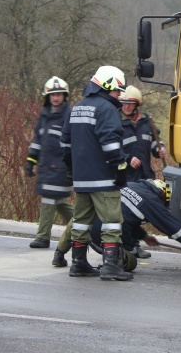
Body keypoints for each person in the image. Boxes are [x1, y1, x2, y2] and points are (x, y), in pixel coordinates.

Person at [60, 65, 132, 281]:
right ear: (108, 85)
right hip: (104, 178)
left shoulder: (77, 108)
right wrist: (120, 166)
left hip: (82, 179)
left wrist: (72, 171)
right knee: (111, 221)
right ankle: (110, 266)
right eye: (118, 90)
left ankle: (78, 263)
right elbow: (110, 143)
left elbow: (64, 144)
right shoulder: (107, 109)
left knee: (81, 221)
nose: (119, 95)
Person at [53, 179, 181, 271]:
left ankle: (59, 253)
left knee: (80, 218)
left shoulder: (129, 185)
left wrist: (144, 236)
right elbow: (173, 226)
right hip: (105, 237)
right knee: (132, 262)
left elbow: (126, 216)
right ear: (162, 195)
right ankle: (114, 260)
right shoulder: (152, 200)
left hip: (85, 232)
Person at [25, 77, 74, 253]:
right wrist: (31, 161)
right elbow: (38, 140)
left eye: (59, 94)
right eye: (53, 94)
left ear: (64, 96)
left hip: (60, 166)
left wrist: (71, 168)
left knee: (48, 198)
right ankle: (83, 227)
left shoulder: (68, 115)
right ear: (47, 96)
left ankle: (43, 237)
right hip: (46, 166)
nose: (56, 97)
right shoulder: (45, 114)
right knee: (59, 201)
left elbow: (72, 142)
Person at [118, 85, 166, 259]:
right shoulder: (117, 123)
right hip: (125, 176)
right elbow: (111, 148)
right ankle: (131, 245)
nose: (126, 106)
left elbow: (155, 143)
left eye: (130, 103)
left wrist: (160, 150)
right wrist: (127, 158)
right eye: (124, 103)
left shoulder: (147, 123)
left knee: (139, 213)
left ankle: (133, 243)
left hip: (145, 176)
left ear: (137, 104)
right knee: (128, 212)